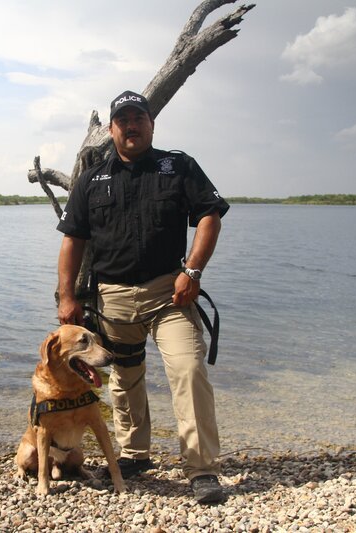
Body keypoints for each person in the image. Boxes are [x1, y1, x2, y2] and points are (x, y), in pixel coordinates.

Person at [55, 90, 229, 504]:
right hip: (112, 298)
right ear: (111, 128)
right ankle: (134, 454)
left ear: (152, 124)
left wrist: (192, 270)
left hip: (170, 294)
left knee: (187, 369)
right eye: (123, 120)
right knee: (125, 377)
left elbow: (209, 216)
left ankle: (202, 469)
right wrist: (67, 297)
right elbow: (72, 240)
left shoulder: (178, 166)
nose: (132, 126)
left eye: (139, 118)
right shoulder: (92, 178)